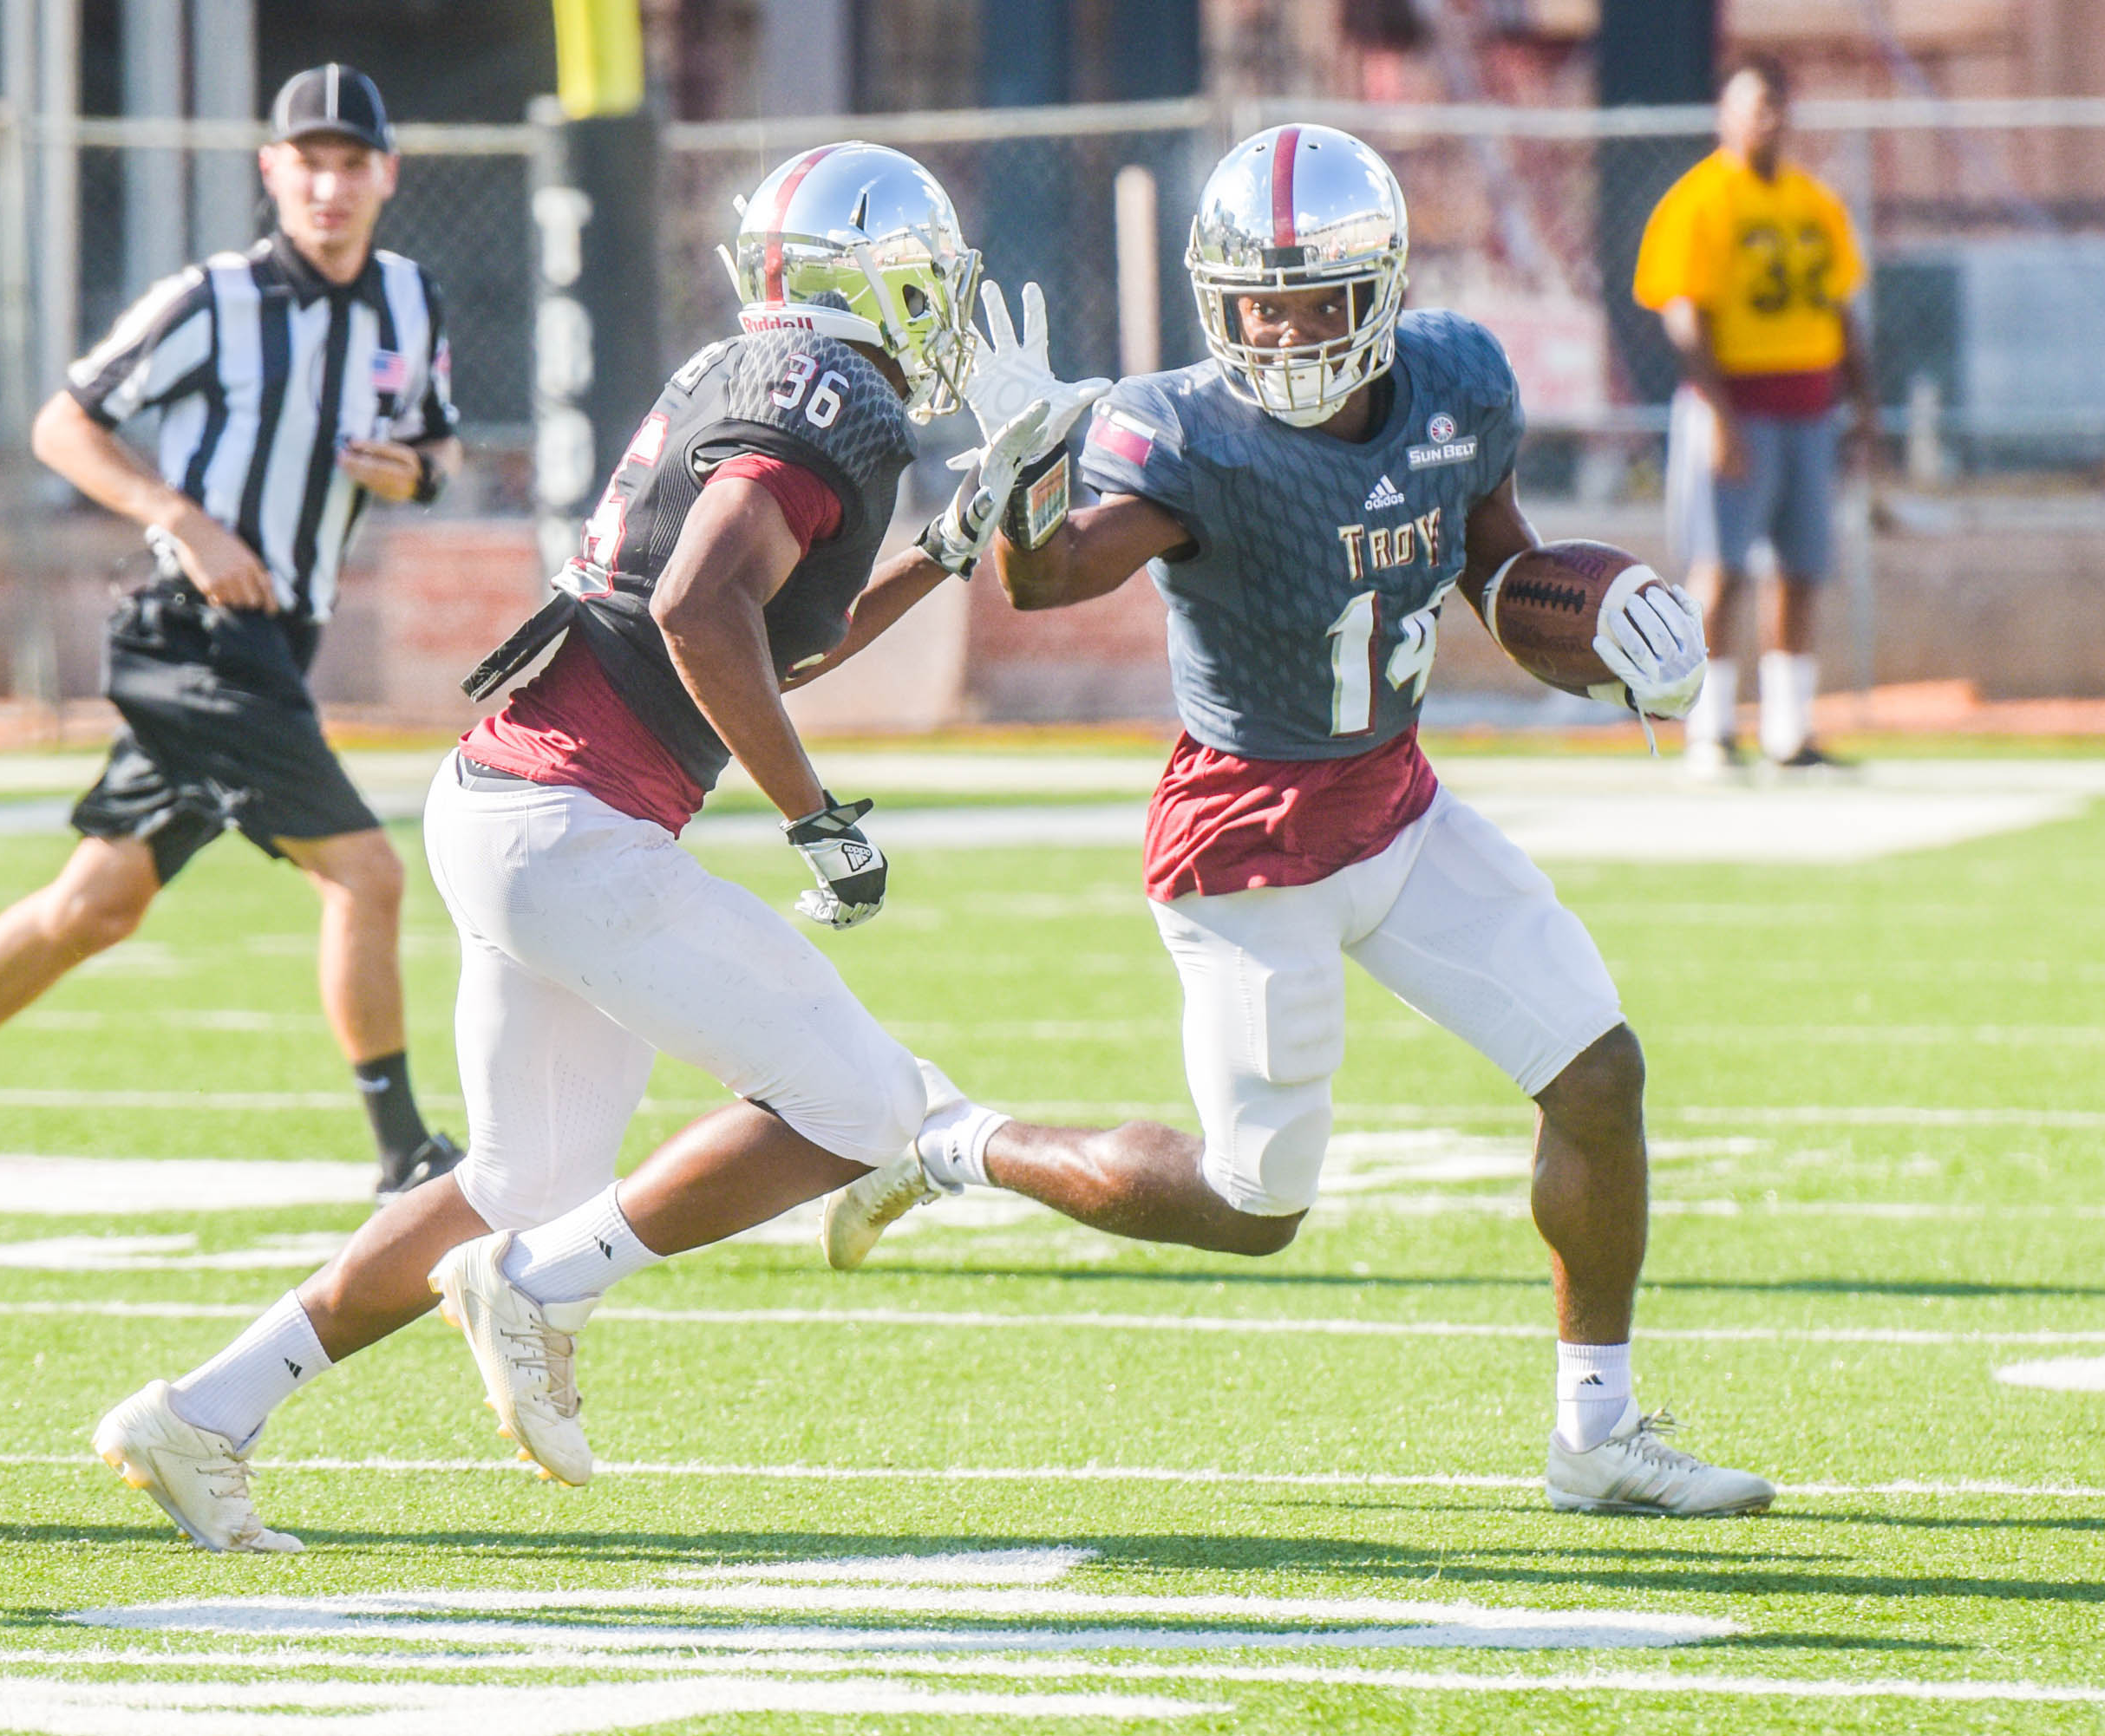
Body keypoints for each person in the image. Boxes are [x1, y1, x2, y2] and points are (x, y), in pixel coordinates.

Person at [446, 126, 1774, 1520]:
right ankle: (954, 1143)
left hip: (1401, 803)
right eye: (1255, 299)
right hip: (1251, 846)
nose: (1281, 329)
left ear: (1380, 291)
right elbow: (1054, 580)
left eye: (1313, 299)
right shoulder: (1182, 427)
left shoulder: (1455, 379)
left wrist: (1613, 629)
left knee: (1599, 1072)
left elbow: (1497, 572)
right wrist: (1019, 495)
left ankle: (1598, 1428)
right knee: (1254, 1209)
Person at [90, 140, 1099, 1550]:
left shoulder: (745, 376)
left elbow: (754, 637)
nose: (938, 317)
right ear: (872, 284)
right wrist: (816, 818)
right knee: (866, 1109)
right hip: (573, 827)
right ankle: (547, 1284)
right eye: (925, 287)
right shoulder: (838, 398)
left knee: (513, 1176)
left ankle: (203, 1413)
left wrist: (942, 549)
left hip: (511, 806)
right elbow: (699, 611)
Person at [0, 65, 463, 1261]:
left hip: (275, 641)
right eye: (308, 160)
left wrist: (414, 472)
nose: (329, 184)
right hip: (195, 634)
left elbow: (434, 439)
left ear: (385, 175)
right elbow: (64, 422)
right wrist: (185, 516)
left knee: (98, 904)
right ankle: (404, 1158)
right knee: (369, 876)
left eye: (350, 162)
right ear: (271, 171)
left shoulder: (411, 300)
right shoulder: (214, 298)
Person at [1632, 52, 1876, 774]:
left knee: (1801, 569)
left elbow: (1841, 308)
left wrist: (1865, 405)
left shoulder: (1813, 202)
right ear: (1725, 115)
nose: (1763, 120)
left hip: (1808, 406)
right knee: (1721, 568)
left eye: (1773, 105)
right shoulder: (1701, 200)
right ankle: (1707, 727)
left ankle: (1788, 730)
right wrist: (1721, 415)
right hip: (1735, 405)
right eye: (1749, 106)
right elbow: (1684, 316)